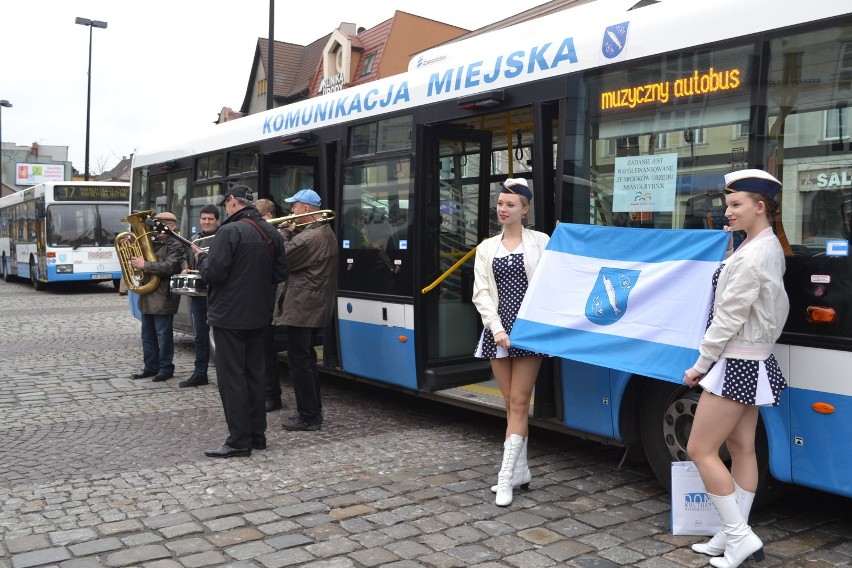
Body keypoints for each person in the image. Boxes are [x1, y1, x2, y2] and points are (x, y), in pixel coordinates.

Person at [683, 169, 789, 568]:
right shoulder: (764, 246)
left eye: (736, 205)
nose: (727, 212)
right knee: (742, 448)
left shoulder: (753, 254)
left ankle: (740, 537)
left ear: (760, 207)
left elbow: (727, 318)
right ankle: (730, 534)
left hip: (736, 359)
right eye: (727, 205)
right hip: (752, 358)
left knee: (700, 448)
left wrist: (700, 363)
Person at [472, 178, 550, 507]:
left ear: (525, 209)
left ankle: (504, 478)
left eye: (510, 205)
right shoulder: (487, 247)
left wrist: (566, 242)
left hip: (528, 331)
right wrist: (496, 328)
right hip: (497, 331)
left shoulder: (541, 242)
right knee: (508, 404)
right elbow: (482, 293)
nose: (503, 209)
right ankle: (521, 471)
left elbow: (556, 278)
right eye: (501, 204)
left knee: (519, 403)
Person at [197, 186, 288, 458]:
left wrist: (202, 259)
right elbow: (280, 272)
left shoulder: (228, 231)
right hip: (259, 315)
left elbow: (214, 274)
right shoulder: (271, 231)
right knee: (255, 375)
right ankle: (257, 436)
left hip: (229, 316)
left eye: (225, 204)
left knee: (231, 379)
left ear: (233, 201)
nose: (224, 208)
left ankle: (238, 441)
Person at [274, 189, 338, 432]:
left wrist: (283, 233)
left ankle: (309, 415)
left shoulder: (312, 237)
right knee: (305, 359)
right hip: (309, 304)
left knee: (299, 362)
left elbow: (283, 257)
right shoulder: (318, 232)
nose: (291, 211)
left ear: (307, 209)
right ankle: (311, 412)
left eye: (295, 207)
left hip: (304, 305)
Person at [129, 211, 185, 383]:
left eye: (161, 224)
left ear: (172, 226)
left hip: (163, 295)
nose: (155, 227)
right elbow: (139, 264)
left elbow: (170, 267)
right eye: (155, 223)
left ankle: (166, 368)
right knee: (147, 335)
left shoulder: (176, 244)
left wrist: (144, 264)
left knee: (163, 336)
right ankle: (150, 367)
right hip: (147, 293)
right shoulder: (150, 242)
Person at [179, 204, 220, 388]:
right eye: (204, 219)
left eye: (210, 219)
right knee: (200, 336)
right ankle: (200, 373)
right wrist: (185, 267)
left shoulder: (221, 237)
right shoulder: (194, 239)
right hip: (197, 293)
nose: (206, 222)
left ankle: (224, 376)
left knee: (220, 337)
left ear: (217, 221)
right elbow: (184, 256)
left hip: (216, 293)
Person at [254, 198, 284, 412]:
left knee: (266, 350)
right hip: (262, 299)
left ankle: (272, 395)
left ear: (267, 217)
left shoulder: (274, 234)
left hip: (270, 300)